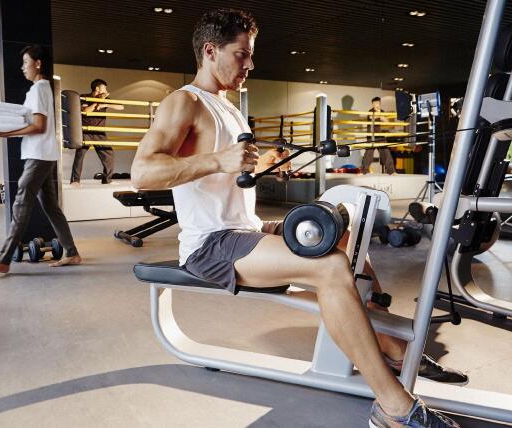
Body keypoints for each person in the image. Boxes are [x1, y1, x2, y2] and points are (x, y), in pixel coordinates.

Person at [131, 9, 463, 427]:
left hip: (244, 229)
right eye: (241, 54)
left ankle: (391, 348)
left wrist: (264, 164)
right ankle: (393, 407)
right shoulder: (185, 102)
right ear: (210, 51)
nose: (250, 64)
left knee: (345, 237)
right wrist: (218, 160)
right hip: (211, 245)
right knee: (330, 266)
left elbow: (225, 175)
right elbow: (143, 173)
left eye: (251, 55)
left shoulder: (228, 108)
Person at [0, 45, 82, 273]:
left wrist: (2, 134)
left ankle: (3, 260)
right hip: (42, 154)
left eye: (26, 62)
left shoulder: (39, 89)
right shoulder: (41, 89)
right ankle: (72, 253)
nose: (23, 67)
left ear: (38, 63)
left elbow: (38, 126)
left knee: (21, 204)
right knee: (51, 207)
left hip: (39, 155)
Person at [70, 79, 124, 186]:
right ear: (97, 88)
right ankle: (75, 181)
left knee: (109, 155)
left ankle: (107, 180)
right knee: (80, 156)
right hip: (86, 132)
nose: (106, 91)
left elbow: (121, 107)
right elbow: (86, 111)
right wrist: (97, 102)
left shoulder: (106, 99)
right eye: (104, 88)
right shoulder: (84, 97)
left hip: (100, 133)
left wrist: (105, 104)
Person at [361, 96, 396, 175]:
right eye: (375, 103)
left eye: (378, 103)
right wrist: (379, 115)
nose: (377, 105)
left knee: (386, 153)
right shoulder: (370, 111)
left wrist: (381, 115)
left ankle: (391, 171)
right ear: (373, 104)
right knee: (368, 154)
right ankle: (364, 171)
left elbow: (387, 121)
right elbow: (371, 117)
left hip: (381, 136)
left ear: (380, 104)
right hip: (372, 136)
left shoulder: (382, 111)